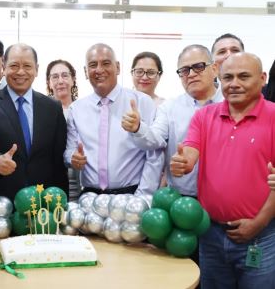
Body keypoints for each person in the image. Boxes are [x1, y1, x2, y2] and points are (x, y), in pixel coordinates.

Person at [170, 52, 275, 288]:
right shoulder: (204, 116)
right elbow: (190, 153)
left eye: (244, 77)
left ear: (262, 78)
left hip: (262, 235)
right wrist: (182, 163)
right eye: (228, 78)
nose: (234, 84)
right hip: (211, 234)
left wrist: (258, 222)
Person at [122, 44, 223, 197]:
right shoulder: (169, 108)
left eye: (198, 66)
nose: (191, 74)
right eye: (184, 70)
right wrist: (138, 128)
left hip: (224, 196)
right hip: (182, 200)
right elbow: (154, 140)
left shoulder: (231, 103)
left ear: (214, 68)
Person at [0, 43, 68, 201]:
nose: (21, 72)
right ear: (4, 67)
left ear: (36, 69)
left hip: (42, 201)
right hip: (2, 201)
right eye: (14, 65)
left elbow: (58, 160)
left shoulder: (53, 108)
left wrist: (60, 203)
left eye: (27, 66)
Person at [65, 43, 163, 197]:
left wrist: (143, 196)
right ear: (85, 71)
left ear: (117, 67)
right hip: (90, 197)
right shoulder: (76, 109)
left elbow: (155, 152)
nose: (99, 70)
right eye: (92, 65)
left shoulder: (142, 102)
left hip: (131, 195)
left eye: (105, 63)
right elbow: (69, 149)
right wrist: (72, 158)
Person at [46, 59, 80, 200]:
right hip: (50, 181)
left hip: (81, 178)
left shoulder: (83, 109)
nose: (60, 81)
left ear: (73, 80)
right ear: (48, 82)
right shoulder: (41, 110)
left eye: (65, 75)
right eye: (55, 77)